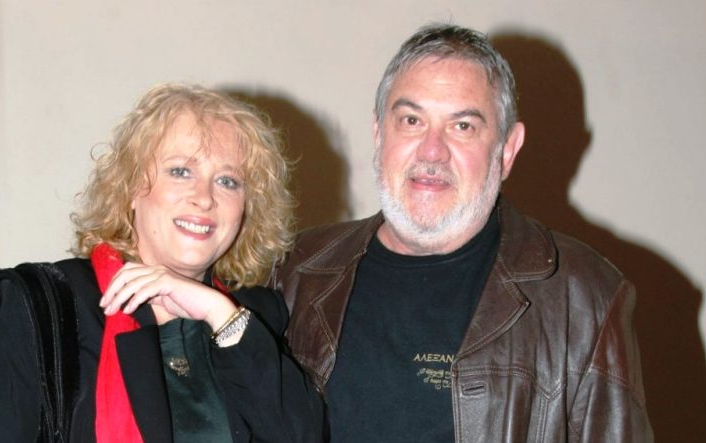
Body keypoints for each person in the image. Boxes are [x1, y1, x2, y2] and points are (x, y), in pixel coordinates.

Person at [271, 23, 653, 442]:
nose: (432, 151)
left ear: (507, 150)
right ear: (379, 134)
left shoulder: (583, 299)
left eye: (463, 126)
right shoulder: (296, 272)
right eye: (411, 120)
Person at [0, 83, 323, 442]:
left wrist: (218, 313)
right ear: (133, 188)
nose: (205, 198)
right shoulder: (49, 308)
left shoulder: (251, 319)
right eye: (180, 171)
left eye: (228, 181)